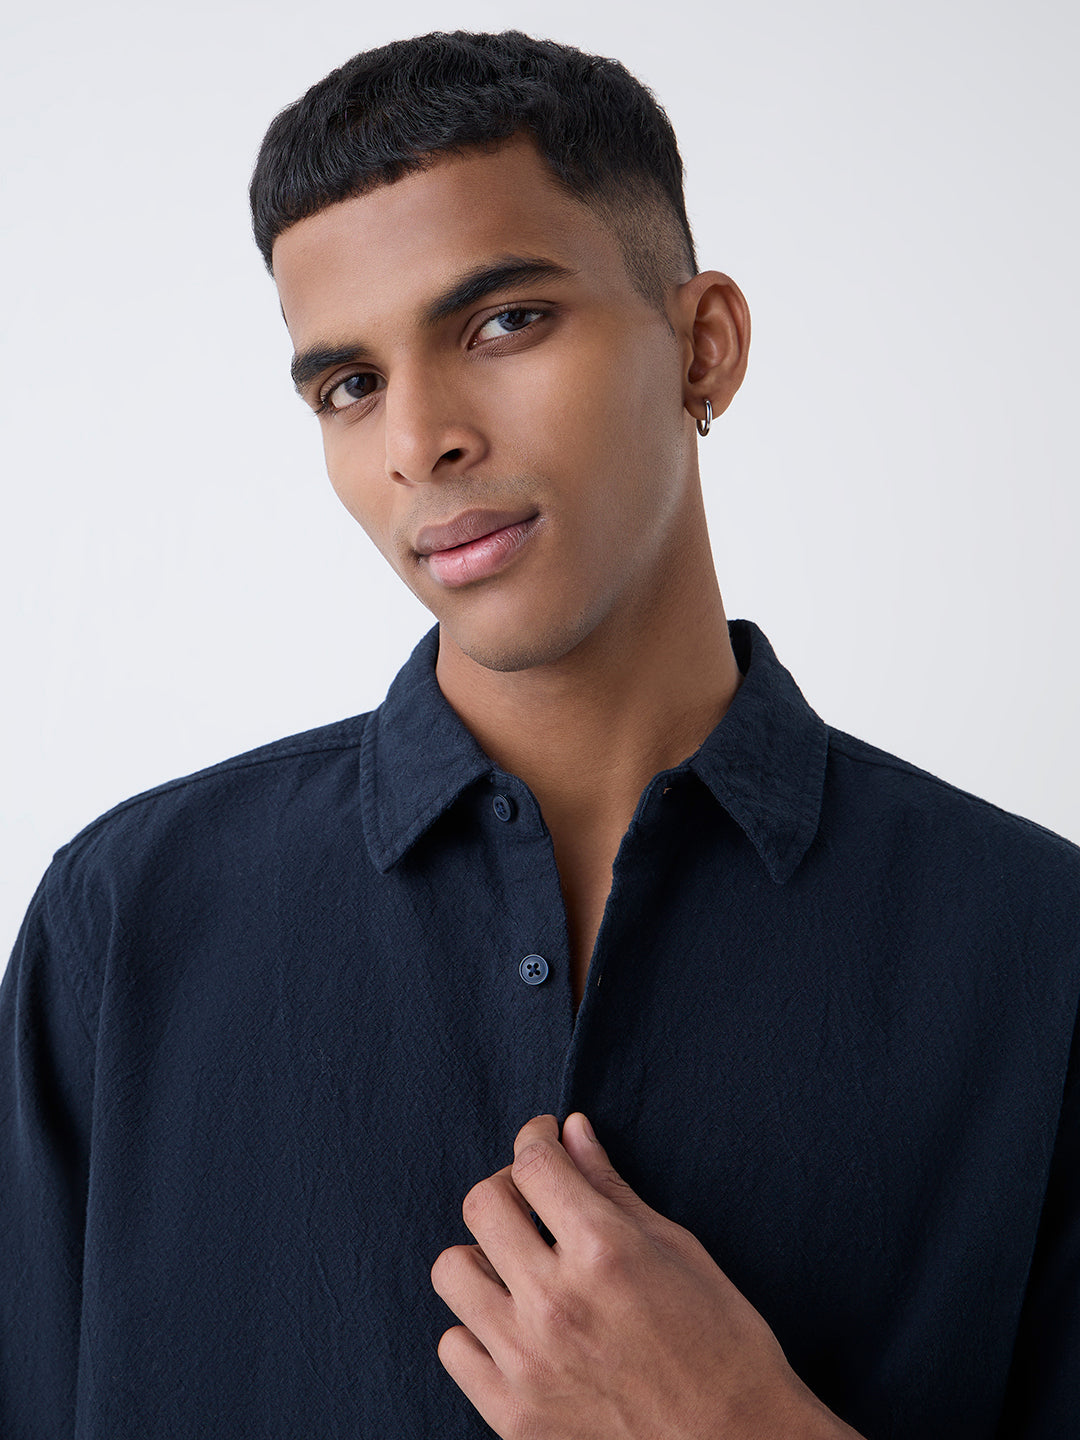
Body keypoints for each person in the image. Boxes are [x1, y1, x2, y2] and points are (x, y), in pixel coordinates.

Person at [1, 28, 1076, 1440]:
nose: (420, 440)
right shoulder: (126, 926)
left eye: (503, 323)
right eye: (349, 385)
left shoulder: (1040, 953)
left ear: (705, 346)